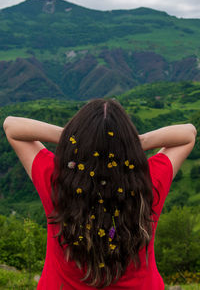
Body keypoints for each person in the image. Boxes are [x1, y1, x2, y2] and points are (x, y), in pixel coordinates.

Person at [3, 98, 196, 290]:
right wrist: (133, 144)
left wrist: (76, 139)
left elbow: (11, 125)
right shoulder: (149, 182)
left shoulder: (57, 181)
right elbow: (188, 133)